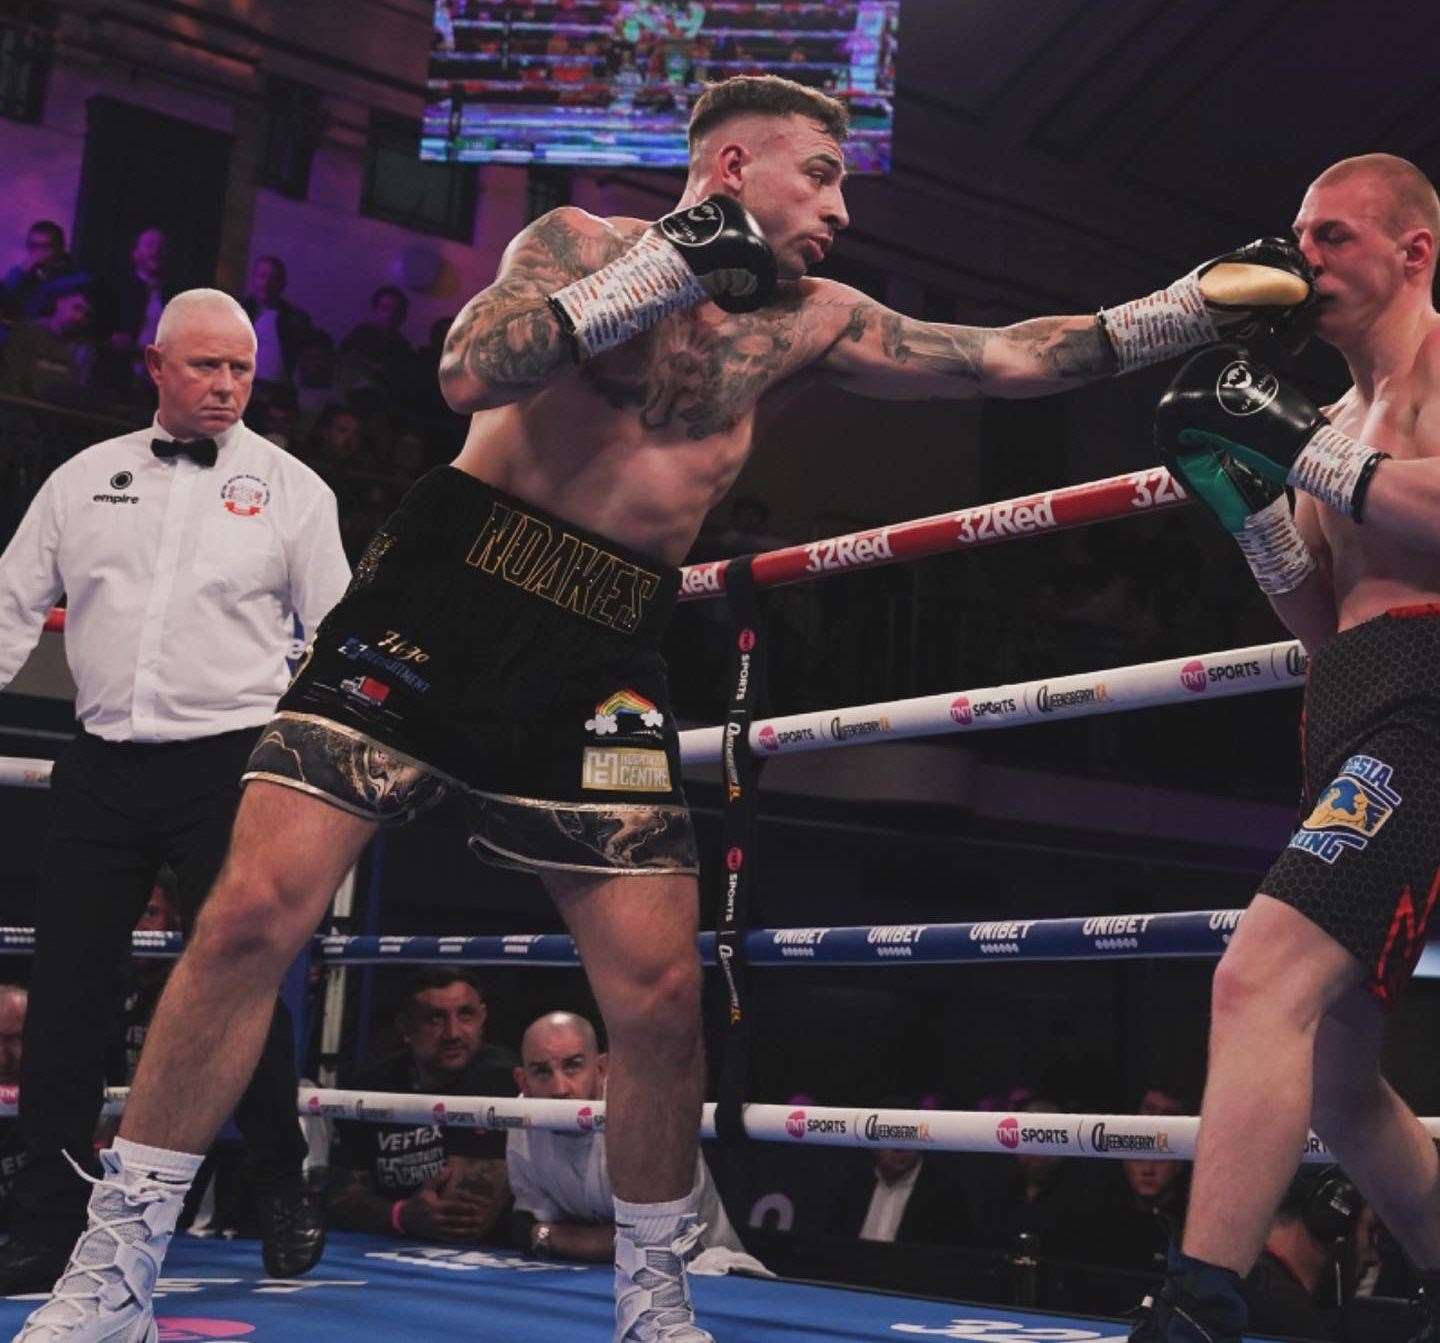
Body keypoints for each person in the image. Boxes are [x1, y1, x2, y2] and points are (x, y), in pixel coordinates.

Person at [17, 73, 1314, 1343]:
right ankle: (113, 1267)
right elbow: (472, 369)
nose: (844, 208)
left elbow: (1002, 356)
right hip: (447, 585)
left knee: (654, 991)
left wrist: (1185, 305)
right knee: (249, 908)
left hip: (606, 637)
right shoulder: (579, 241)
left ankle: (652, 1298)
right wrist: (673, 264)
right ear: (735, 167)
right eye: (824, 171)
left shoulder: (811, 317)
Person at [1131, 152, 1440, 1342]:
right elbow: (1321, 614)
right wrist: (1251, 504)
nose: (1301, 264)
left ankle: (1199, 1306)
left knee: (1258, 979)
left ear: (1413, 251)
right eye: (1297, 238)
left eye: (1332, 240)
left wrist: (1303, 454)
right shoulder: (1335, 416)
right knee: (1337, 1081)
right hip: (1353, 703)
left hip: (1432, 704)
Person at [0, 288, 350, 1299]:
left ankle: (281, 1181)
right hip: (101, 761)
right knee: (66, 993)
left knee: (244, 989)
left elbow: (337, 629)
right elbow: (13, 604)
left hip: (234, 763)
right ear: (156, 364)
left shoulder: (293, 488)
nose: (228, 386)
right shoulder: (81, 478)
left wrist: (314, 756)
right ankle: (49, 1220)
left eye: (242, 369)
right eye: (206, 367)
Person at [507, 1011, 750, 1266]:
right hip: (589, 1274)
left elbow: (656, 1239)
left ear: (602, 1069)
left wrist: (552, 1237)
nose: (559, 1089)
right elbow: (530, 1222)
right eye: (542, 1073)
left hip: (703, 1273)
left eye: (573, 1066)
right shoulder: (521, 1116)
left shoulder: (643, 1111)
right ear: (523, 1081)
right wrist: (551, 1235)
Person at [324, 970, 517, 1243]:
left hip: (485, 1256)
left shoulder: (499, 1078)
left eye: (465, 1015)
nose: (453, 1033)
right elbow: (339, 1197)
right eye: (435, 1019)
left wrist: (387, 1213)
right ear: (404, 1027)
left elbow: (463, 1221)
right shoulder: (373, 1085)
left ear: (482, 1017)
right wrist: (399, 1215)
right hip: (386, 1248)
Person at [1242, 1169, 1362, 1342]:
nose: (1372, 1255)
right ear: (1333, 1220)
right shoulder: (1294, 1319)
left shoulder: (1219, 1282)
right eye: (1371, 1230)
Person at [0, 280, 101, 409]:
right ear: (60, 302)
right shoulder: (26, 334)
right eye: (77, 308)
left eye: (86, 314)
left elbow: (76, 396)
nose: (79, 317)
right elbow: (11, 381)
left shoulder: (83, 350)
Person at [239, 254, 313, 389]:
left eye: (273, 278)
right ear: (253, 279)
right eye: (262, 276)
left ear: (282, 283)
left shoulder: (295, 319)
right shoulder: (237, 312)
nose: (266, 283)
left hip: (276, 391)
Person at [0, 221, 79, 323]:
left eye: (46, 247)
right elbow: (4, 297)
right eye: (33, 246)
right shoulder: (26, 273)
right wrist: (21, 271)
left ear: (60, 247)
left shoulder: (75, 277)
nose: (38, 252)